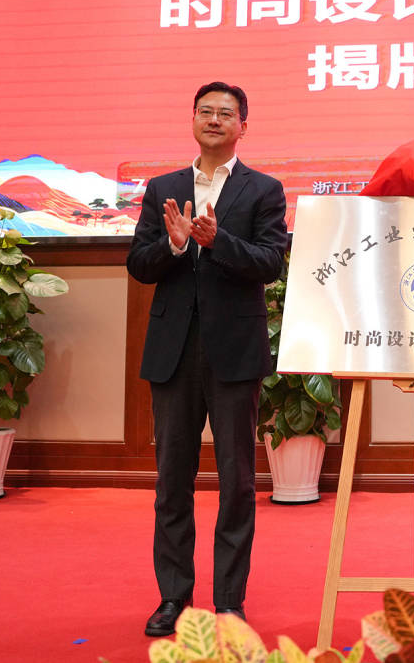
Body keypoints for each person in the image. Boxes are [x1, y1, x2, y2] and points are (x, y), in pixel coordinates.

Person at [127, 81, 288, 636]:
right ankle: (173, 597)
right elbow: (139, 264)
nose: (214, 119)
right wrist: (174, 245)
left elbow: (270, 262)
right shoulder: (164, 188)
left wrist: (219, 242)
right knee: (172, 481)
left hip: (234, 352)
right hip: (173, 352)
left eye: (225, 113)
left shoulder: (263, 190)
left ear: (243, 126)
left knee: (237, 482)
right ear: (193, 120)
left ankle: (229, 601)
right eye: (205, 111)